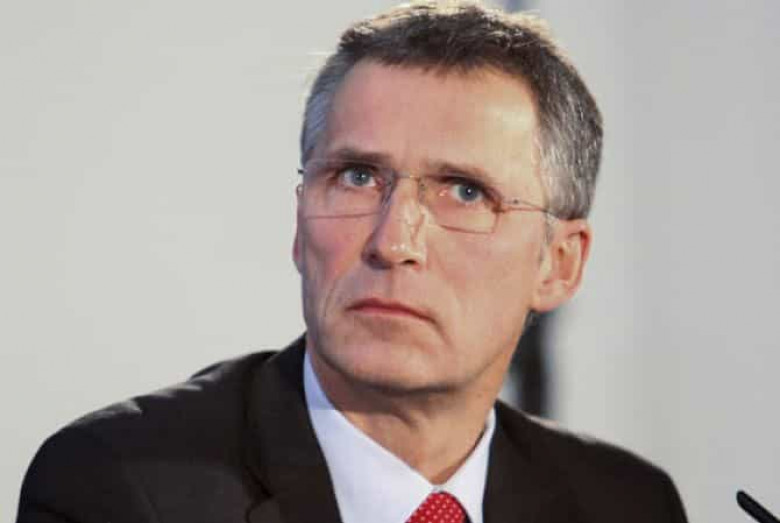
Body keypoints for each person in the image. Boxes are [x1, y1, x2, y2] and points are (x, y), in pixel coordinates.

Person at [17, 2, 688, 522]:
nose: (392, 241)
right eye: (357, 178)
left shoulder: (627, 504)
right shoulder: (120, 486)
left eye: (464, 191)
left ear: (559, 264)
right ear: (299, 220)